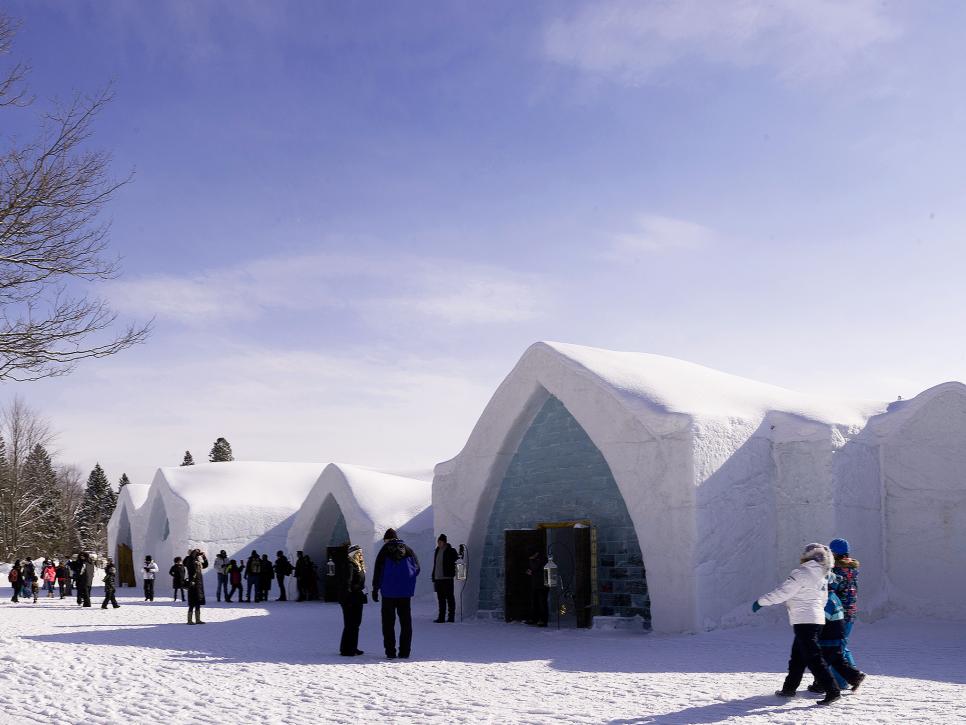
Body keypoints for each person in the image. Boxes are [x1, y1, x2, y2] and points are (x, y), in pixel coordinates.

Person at [753, 542, 841, 705]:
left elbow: (783, 592)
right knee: (798, 657)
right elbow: (823, 599)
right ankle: (789, 688)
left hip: (804, 621)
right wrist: (815, 613)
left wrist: (761, 602)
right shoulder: (822, 575)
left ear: (807, 556)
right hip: (815, 620)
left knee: (813, 657)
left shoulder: (801, 573)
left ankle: (832, 690)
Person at [372, 528, 421, 659]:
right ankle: (405, 652)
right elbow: (417, 568)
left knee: (388, 624)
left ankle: (390, 652)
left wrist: (375, 589)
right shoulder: (408, 549)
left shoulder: (384, 551)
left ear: (386, 539)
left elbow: (378, 571)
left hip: (388, 594)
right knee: (406, 623)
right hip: (405, 594)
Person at [339, 545, 367, 656]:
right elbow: (347, 584)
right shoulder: (349, 565)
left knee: (355, 624)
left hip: (357, 598)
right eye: (358, 553)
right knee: (350, 624)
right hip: (350, 599)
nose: (361, 555)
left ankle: (353, 647)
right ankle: (346, 649)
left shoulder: (357, 565)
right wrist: (347, 598)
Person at [431, 534, 458, 623]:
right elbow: (435, 565)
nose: (438, 543)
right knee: (441, 599)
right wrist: (433, 576)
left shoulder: (450, 550)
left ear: (444, 542)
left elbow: (456, 559)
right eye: (438, 542)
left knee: (450, 598)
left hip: (447, 578)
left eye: (440, 542)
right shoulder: (437, 550)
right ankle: (441, 617)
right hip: (438, 578)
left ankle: (451, 617)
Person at [526, 548, 549, 627]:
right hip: (536, 584)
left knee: (542, 603)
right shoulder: (536, 559)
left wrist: (532, 570)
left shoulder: (542, 559)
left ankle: (543, 620)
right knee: (534, 602)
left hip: (542, 585)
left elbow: (535, 568)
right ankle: (534, 619)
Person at [185, 548, 209, 624]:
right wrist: (196, 551)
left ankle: (198, 619)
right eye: (196, 553)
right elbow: (191, 558)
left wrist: (204, 557)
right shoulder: (189, 560)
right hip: (193, 583)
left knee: (198, 601)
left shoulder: (197, 561)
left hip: (199, 583)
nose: (197, 554)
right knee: (192, 602)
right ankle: (189, 620)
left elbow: (205, 565)